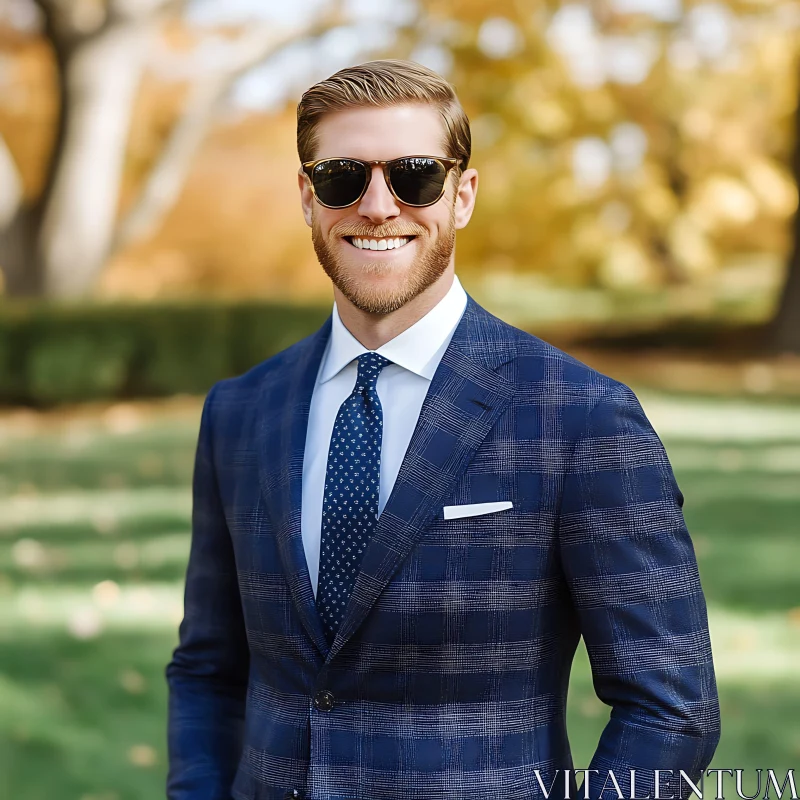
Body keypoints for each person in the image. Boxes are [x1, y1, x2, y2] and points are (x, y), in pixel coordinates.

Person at [166, 59, 720, 800]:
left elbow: (671, 709)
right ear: (307, 197)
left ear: (461, 195)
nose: (376, 205)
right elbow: (209, 668)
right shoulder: (239, 412)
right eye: (341, 177)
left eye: (414, 176)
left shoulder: (581, 418)